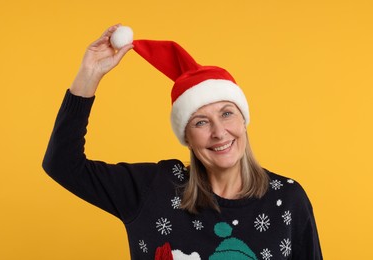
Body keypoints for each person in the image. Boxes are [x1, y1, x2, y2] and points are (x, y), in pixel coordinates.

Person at [43, 24, 322, 260]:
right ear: (186, 136)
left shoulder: (287, 199)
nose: (219, 132)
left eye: (227, 113)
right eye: (201, 121)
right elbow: (62, 164)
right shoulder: (153, 189)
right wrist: (89, 74)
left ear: (243, 121)